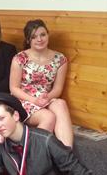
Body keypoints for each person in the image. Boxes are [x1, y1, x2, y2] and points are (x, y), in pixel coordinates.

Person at [10, 19, 73, 147]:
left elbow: (57, 89)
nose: (39, 39)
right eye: (34, 37)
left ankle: (67, 155)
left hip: (46, 98)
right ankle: (35, 156)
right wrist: (33, 100)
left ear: (47, 35)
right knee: (49, 117)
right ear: (28, 40)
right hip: (24, 99)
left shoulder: (60, 59)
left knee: (61, 103)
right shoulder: (20, 58)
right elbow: (14, 88)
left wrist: (47, 97)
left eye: (43, 35)